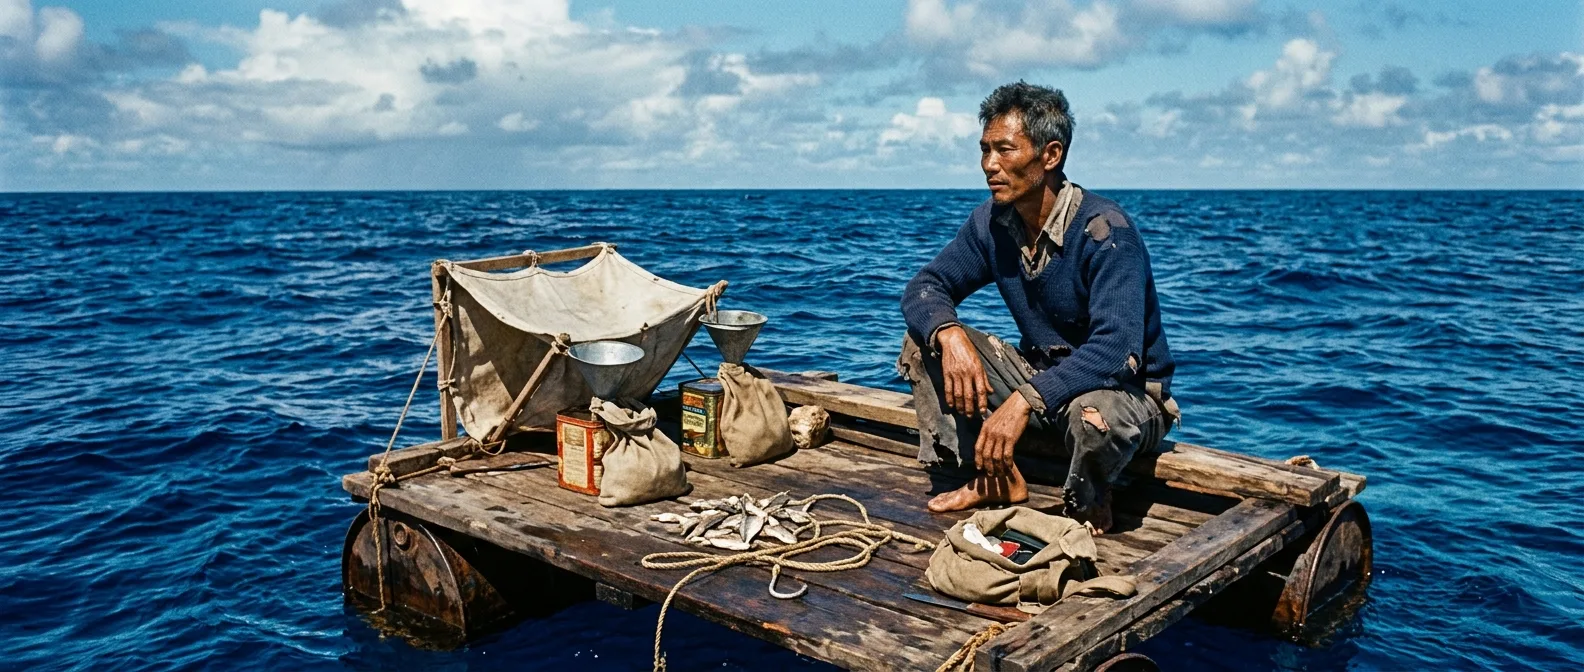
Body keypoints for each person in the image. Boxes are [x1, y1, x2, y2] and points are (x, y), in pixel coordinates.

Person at [897, 81, 1180, 533]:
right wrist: (949, 336)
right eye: (984, 150)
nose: (990, 165)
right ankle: (990, 476)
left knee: (1096, 418)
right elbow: (926, 286)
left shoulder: (1107, 234)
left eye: (1005, 150)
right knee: (923, 339)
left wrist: (1025, 401)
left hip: (1123, 393)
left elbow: (1117, 350)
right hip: (1043, 378)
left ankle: (1089, 500)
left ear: (1050, 156)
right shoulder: (992, 223)